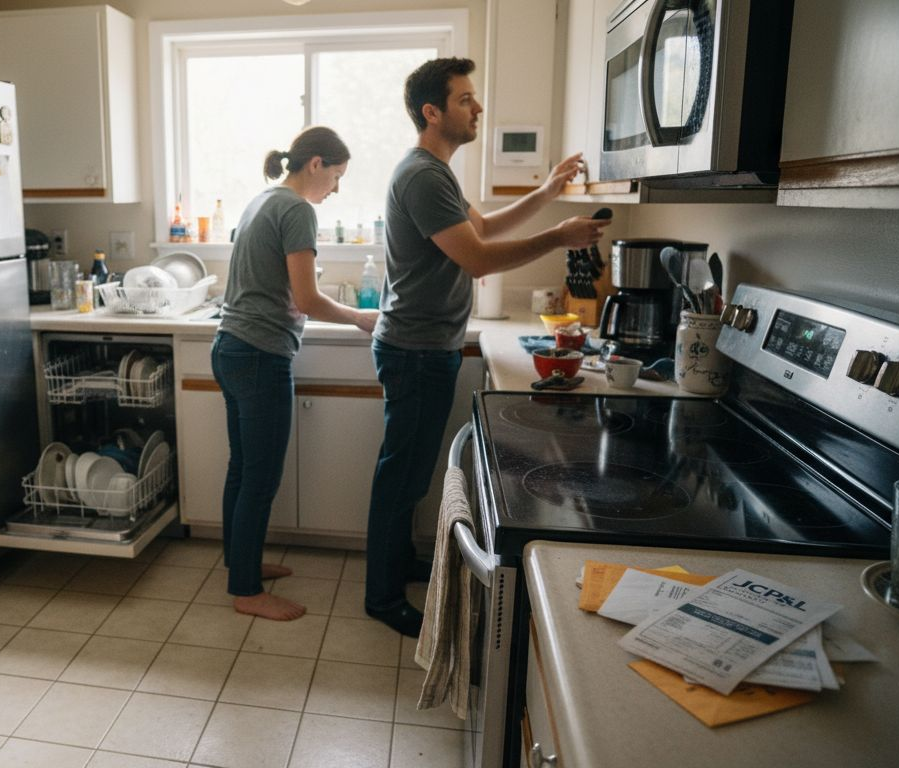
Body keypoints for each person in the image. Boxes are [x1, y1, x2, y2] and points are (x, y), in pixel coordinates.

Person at [364, 58, 611, 637]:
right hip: (416, 350)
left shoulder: (436, 173)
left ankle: (397, 566)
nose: (478, 108)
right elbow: (477, 260)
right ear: (433, 111)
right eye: (465, 99)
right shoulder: (423, 175)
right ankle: (380, 596)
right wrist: (558, 235)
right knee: (401, 475)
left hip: (425, 346)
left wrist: (548, 191)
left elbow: (484, 231)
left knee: (408, 472)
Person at [214, 126, 380, 621]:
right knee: (260, 478)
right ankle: (246, 591)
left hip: (230, 348)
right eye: (337, 176)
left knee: (242, 469)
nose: (336, 189)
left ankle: (238, 562)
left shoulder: (262, 201)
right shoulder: (297, 210)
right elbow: (306, 299)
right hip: (260, 355)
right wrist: (359, 317)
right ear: (316, 165)